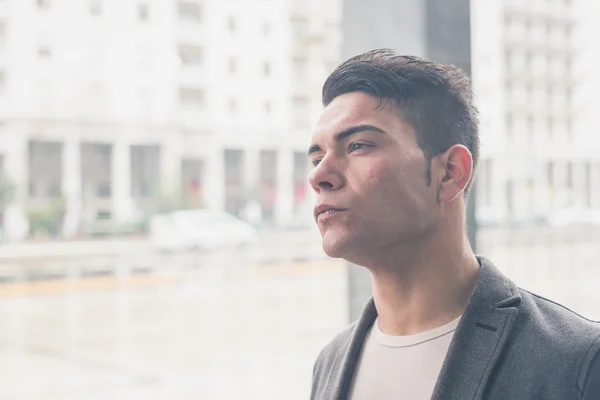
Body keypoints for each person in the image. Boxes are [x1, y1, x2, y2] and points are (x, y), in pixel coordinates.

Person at [308, 49, 600, 400]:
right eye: (317, 157)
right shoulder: (330, 363)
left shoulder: (575, 362)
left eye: (357, 145)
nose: (319, 175)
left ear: (449, 172)